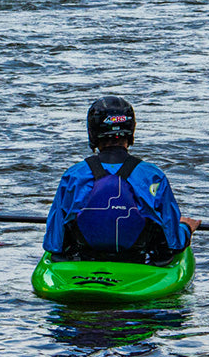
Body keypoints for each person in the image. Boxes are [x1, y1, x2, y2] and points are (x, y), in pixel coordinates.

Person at [43, 95, 199, 263]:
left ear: (93, 132)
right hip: (137, 261)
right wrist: (185, 228)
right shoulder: (153, 175)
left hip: (85, 259)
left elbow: (54, 244)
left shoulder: (73, 175)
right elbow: (174, 242)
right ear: (131, 131)